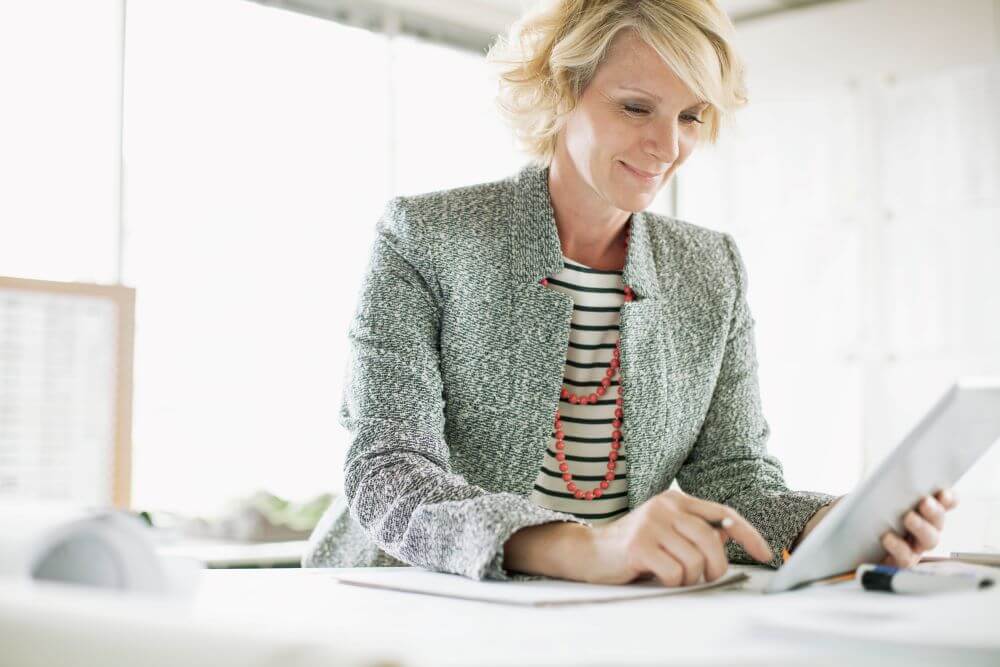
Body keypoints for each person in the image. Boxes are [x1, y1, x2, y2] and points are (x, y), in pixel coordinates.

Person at [302, 0, 957, 585]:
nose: (668, 147)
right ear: (563, 91)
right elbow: (389, 475)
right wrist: (586, 548)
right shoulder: (425, 237)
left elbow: (734, 479)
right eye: (636, 107)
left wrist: (828, 525)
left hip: (593, 619)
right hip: (399, 604)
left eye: (692, 116)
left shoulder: (711, 267)